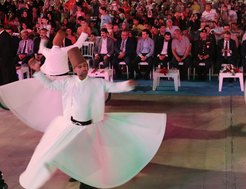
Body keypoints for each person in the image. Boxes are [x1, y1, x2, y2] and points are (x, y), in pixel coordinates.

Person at [17, 49, 166, 189]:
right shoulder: (68, 82)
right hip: (73, 126)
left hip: (91, 127)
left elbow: (113, 87)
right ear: (75, 69)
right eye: (79, 67)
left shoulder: (97, 83)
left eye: (84, 66)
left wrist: (127, 84)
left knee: (90, 157)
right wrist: (37, 71)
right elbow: (49, 84)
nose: (83, 69)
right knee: (63, 152)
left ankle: (87, 182)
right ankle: (74, 173)